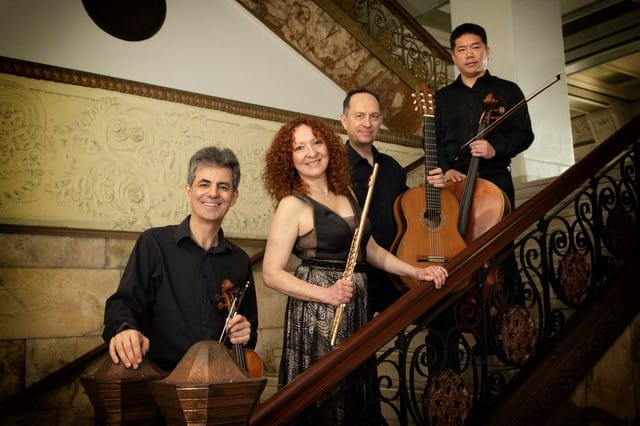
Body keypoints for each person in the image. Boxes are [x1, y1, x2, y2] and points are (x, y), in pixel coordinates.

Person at [262, 116, 447, 424]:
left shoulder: (346, 191)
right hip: (319, 312)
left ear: (330, 147)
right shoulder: (291, 205)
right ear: (288, 159)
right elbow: (271, 273)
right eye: (299, 148)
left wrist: (415, 272)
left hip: (354, 303)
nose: (311, 153)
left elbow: (369, 249)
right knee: (327, 399)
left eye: (317, 142)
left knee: (354, 393)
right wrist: (326, 294)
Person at [102, 146, 258, 372]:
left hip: (220, 379)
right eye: (204, 184)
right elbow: (123, 303)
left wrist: (246, 334)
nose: (213, 193)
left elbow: (250, 332)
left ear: (234, 197)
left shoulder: (240, 260)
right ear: (188, 191)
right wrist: (124, 330)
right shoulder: (154, 243)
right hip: (161, 378)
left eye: (223, 187)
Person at [435, 22, 534, 306]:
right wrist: (446, 169)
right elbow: (433, 141)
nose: (469, 55)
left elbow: (524, 134)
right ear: (453, 56)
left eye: (475, 47)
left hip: (494, 179)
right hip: (455, 182)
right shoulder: (442, 98)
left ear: (487, 50)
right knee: (457, 248)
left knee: (501, 249)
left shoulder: (507, 90)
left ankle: (512, 314)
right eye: (462, 49)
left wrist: (494, 149)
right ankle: (470, 313)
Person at [342, 88, 447, 319]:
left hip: (395, 271)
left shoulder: (391, 167)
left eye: (374, 116)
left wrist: (436, 187)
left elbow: (411, 212)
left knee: (439, 314)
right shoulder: (336, 168)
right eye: (359, 116)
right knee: (362, 341)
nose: (368, 123)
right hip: (355, 276)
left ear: (381, 121)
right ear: (344, 120)